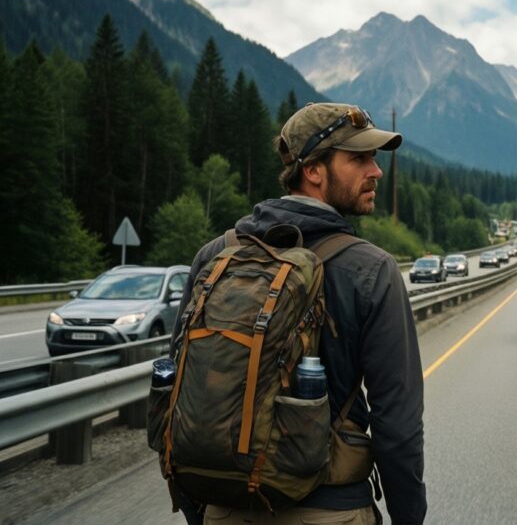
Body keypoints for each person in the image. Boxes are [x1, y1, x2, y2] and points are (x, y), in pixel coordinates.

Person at [171, 102, 426, 525]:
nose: (376, 171)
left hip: (225, 509)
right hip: (332, 509)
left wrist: (202, 513)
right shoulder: (372, 269)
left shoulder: (215, 256)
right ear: (313, 171)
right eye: (359, 158)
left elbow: (178, 394)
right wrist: (409, 518)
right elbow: (398, 427)